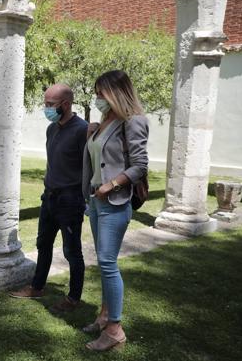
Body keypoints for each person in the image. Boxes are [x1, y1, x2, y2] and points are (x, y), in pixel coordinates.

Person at [82, 70, 149, 351]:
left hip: (115, 201)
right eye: (96, 93)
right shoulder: (104, 123)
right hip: (97, 202)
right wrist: (92, 134)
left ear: (116, 93)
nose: (97, 98)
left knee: (108, 264)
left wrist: (111, 185)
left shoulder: (133, 122)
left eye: (101, 93)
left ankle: (115, 330)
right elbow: (98, 159)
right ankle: (104, 315)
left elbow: (140, 165)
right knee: (103, 261)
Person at [9, 83, 87, 313]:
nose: (46, 109)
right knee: (43, 244)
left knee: (72, 251)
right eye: (45, 104)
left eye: (50, 105)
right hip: (49, 197)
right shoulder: (51, 129)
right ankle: (37, 286)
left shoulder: (82, 130)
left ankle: (73, 298)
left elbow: (89, 165)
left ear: (66, 104)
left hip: (70, 200)